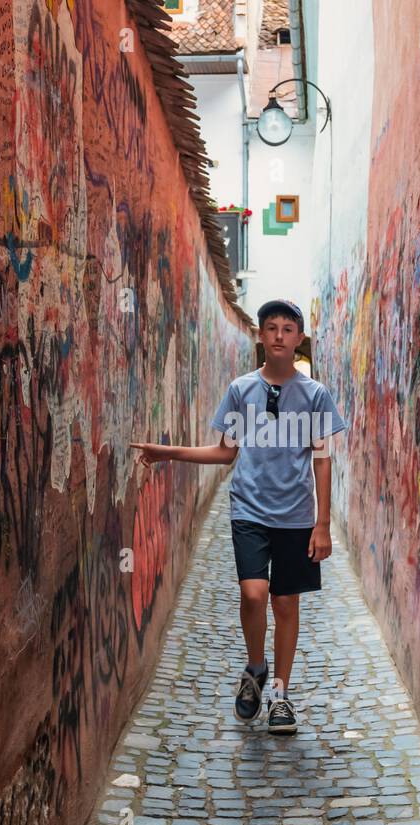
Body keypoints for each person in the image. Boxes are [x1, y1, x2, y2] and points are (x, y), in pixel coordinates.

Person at [131, 299, 347, 734]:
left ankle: (280, 695)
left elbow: (322, 460)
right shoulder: (240, 389)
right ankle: (255, 667)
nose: (280, 335)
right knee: (253, 595)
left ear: (299, 339)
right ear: (261, 337)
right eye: (272, 328)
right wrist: (166, 452)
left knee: (285, 602)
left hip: (296, 515)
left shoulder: (315, 394)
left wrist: (322, 524)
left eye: (289, 328)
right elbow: (225, 451)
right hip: (249, 509)